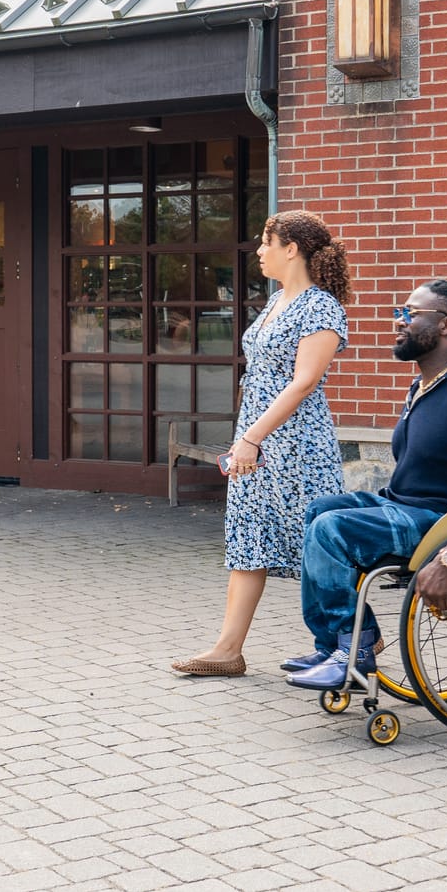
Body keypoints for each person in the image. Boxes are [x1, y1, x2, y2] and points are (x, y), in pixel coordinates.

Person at [283, 279, 447, 689]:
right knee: (321, 510)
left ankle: (356, 647)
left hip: (442, 519)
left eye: (410, 313)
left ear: (446, 325)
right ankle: (336, 643)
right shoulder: (427, 386)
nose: (399, 322)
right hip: (406, 505)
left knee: (330, 530)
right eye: (399, 312)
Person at [172, 210, 351, 677]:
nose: (258, 251)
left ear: (291, 249)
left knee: (318, 547)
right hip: (255, 443)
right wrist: (244, 439)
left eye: (265, 243)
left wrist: (251, 438)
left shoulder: (321, 306)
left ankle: (347, 645)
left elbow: (304, 382)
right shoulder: (275, 302)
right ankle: (228, 650)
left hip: (298, 448)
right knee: (248, 539)